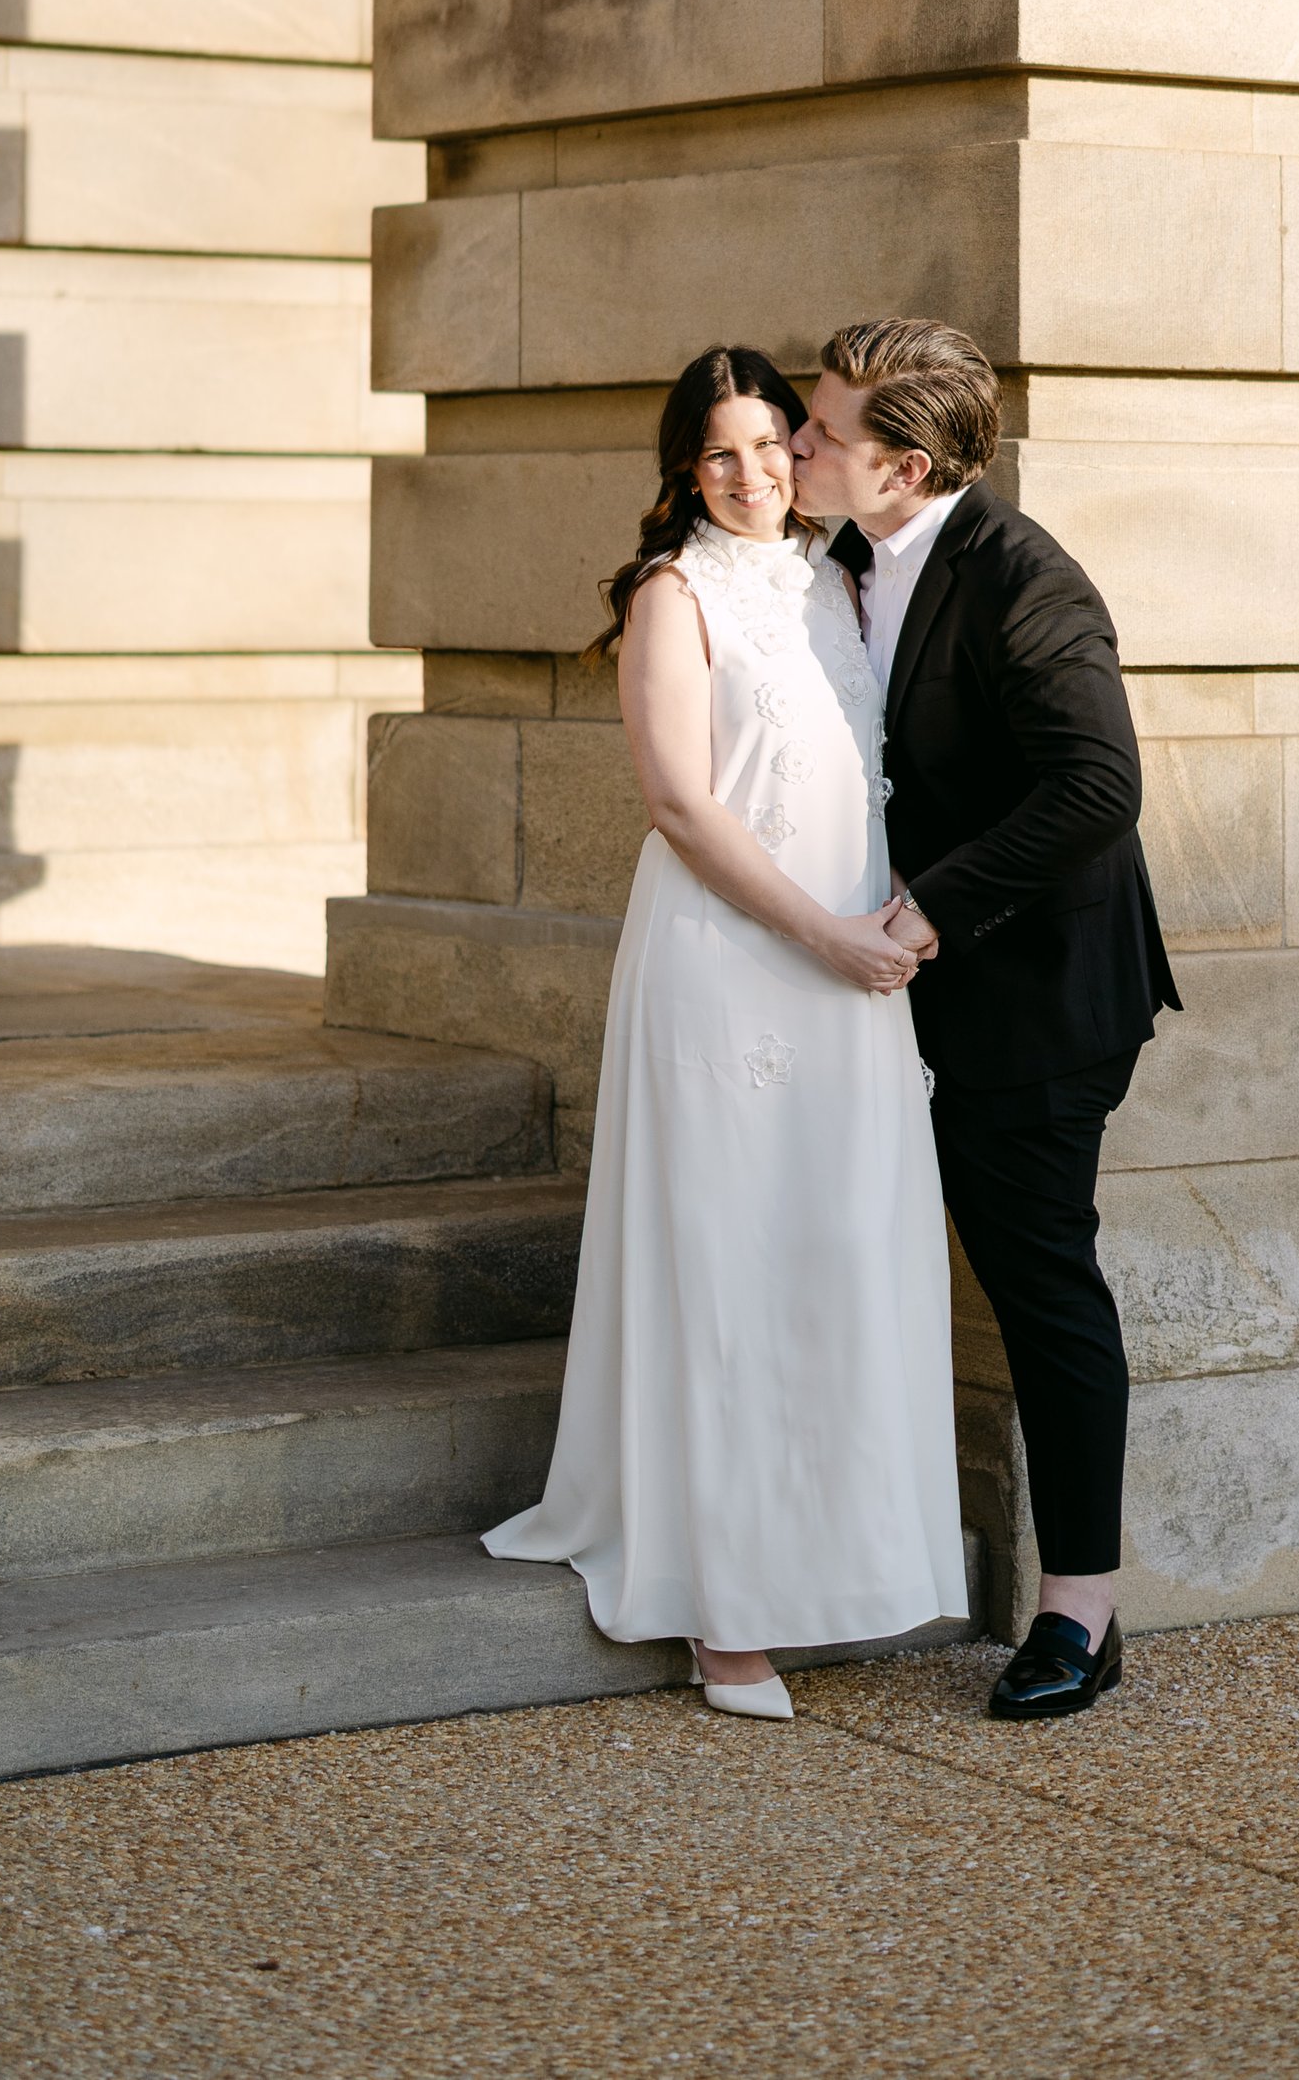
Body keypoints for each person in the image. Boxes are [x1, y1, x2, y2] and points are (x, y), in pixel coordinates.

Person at [482, 344, 968, 1719]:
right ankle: (723, 1609)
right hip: (734, 964)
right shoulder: (671, 594)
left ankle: (841, 1554)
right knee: (730, 1264)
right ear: (684, 473)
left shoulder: (840, 583)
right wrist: (826, 933)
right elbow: (684, 808)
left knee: (835, 1249)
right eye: (722, 455)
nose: (755, 473)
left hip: (858, 967)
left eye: (773, 443)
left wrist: (892, 929)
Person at [791, 316, 1178, 1723]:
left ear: (901, 465)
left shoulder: (1028, 581)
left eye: (822, 430)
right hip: (892, 990)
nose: (795, 443)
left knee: (1040, 1283)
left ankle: (1083, 1608)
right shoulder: (832, 560)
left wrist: (930, 905)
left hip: (1041, 995)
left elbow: (1095, 790)